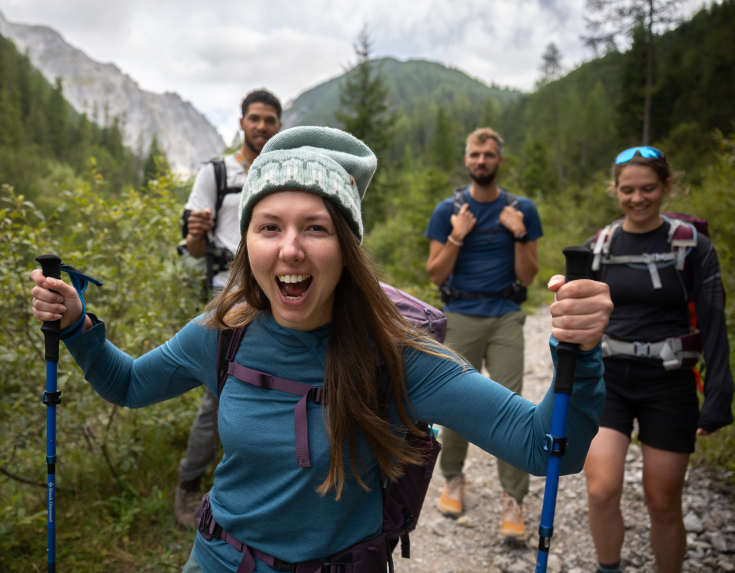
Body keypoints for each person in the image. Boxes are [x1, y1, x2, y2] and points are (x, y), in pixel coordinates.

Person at [30, 126, 612, 573]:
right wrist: (79, 325)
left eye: (315, 227)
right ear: (246, 243)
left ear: (347, 248)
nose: (290, 250)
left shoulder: (399, 355)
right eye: (269, 227)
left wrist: (581, 353)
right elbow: (129, 385)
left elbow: (544, 446)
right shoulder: (222, 332)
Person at [582, 147, 733, 573]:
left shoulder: (693, 247)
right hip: (609, 380)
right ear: (615, 189)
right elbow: (580, 322)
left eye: (648, 188)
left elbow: (713, 322)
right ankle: (608, 568)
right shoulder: (599, 246)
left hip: (669, 382)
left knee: (663, 500)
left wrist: (719, 393)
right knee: (601, 490)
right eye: (627, 190)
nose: (637, 198)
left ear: (667, 186)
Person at [424, 127, 543, 540]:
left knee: (512, 405)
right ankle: (453, 479)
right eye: (475, 154)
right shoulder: (447, 211)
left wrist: (520, 233)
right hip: (460, 314)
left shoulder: (522, 209)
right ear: (466, 159)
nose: (481, 161)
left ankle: (514, 498)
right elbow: (435, 273)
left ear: (499, 161)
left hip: (506, 314)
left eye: (488, 155)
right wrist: (457, 234)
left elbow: (529, 275)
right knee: (457, 402)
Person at [176, 89, 282, 527]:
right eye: (254, 118)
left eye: (269, 120)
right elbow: (192, 249)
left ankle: (254, 485)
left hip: (278, 298)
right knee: (218, 394)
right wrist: (195, 234)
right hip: (230, 299)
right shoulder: (216, 173)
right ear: (241, 123)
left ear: (279, 126)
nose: (261, 126)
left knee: (272, 392)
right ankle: (189, 483)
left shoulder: (281, 172)